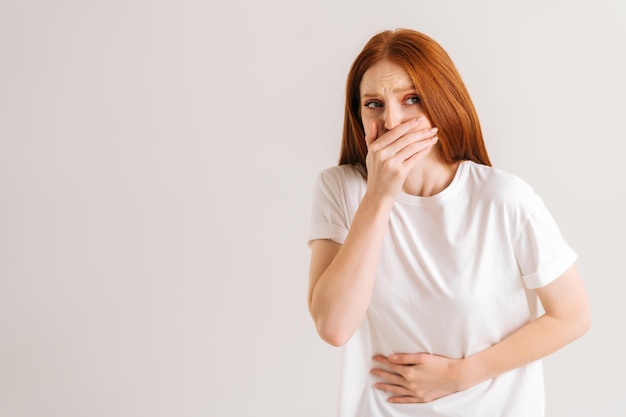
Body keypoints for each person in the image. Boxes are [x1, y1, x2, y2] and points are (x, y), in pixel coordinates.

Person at [307, 28, 590, 417]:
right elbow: (334, 327)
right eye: (374, 104)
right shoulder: (341, 189)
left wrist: (460, 375)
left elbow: (572, 315)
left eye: (412, 99)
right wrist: (379, 196)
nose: (391, 120)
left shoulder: (503, 198)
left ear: (442, 101)